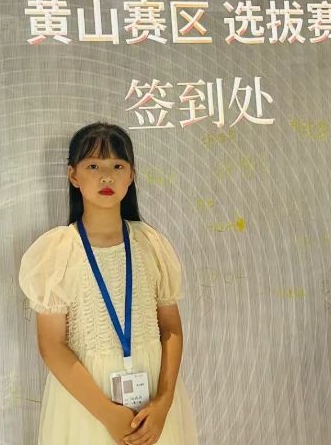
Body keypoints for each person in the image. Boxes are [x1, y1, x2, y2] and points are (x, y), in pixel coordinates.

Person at [19, 123, 198, 445]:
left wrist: (164, 402)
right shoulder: (59, 251)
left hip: (151, 401)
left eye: (117, 166)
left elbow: (171, 330)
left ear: (132, 175)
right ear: (73, 175)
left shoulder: (150, 244)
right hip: (87, 402)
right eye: (93, 166)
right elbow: (52, 345)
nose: (106, 177)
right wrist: (108, 414)